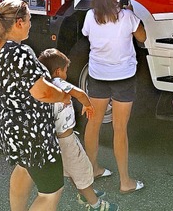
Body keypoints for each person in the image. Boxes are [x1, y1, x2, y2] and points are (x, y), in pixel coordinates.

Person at [0, 0, 69, 211]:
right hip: (32, 134)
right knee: (52, 191)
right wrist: (64, 96)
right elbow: (43, 92)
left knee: (23, 168)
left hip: (11, 127)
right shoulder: (19, 53)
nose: (32, 24)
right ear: (19, 22)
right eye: (30, 19)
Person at [82, 0, 146, 194]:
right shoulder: (127, 16)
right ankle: (125, 181)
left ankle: (92, 169)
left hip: (98, 75)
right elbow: (142, 38)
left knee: (93, 124)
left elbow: (87, 34)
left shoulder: (91, 16)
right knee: (120, 129)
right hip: (123, 77)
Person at [38, 48, 118, 211]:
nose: (67, 74)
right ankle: (95, 204)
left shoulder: (43, 87)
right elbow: (80, 93)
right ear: (58, 71)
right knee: (82, 170)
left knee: (72, 170)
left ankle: (84, 193)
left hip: (53, 139)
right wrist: (88, 104)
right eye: (66, 70)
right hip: (67, 140)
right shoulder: (59, 83)